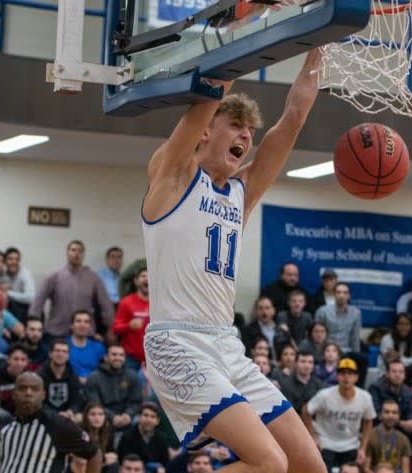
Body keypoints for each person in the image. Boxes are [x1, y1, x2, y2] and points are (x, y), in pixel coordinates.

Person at [140, 46, 326, 472]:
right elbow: (208, 94)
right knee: (269, 464)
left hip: (225, 343)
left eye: (249, 132)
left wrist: (321, 44)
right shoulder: (172, 176)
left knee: (307, 466)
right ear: (206, 131)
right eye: (236, 125)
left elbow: (293, 120)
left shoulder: (241, 193)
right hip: (177, 342)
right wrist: (246, 22)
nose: (245, 137)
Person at [0, 372, 102, 473]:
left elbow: (94, 454)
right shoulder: (5, 430)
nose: (28, 393)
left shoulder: (58, 425)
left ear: (43, 395)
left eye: (35, 389)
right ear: (14, 394)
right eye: (23, 388)